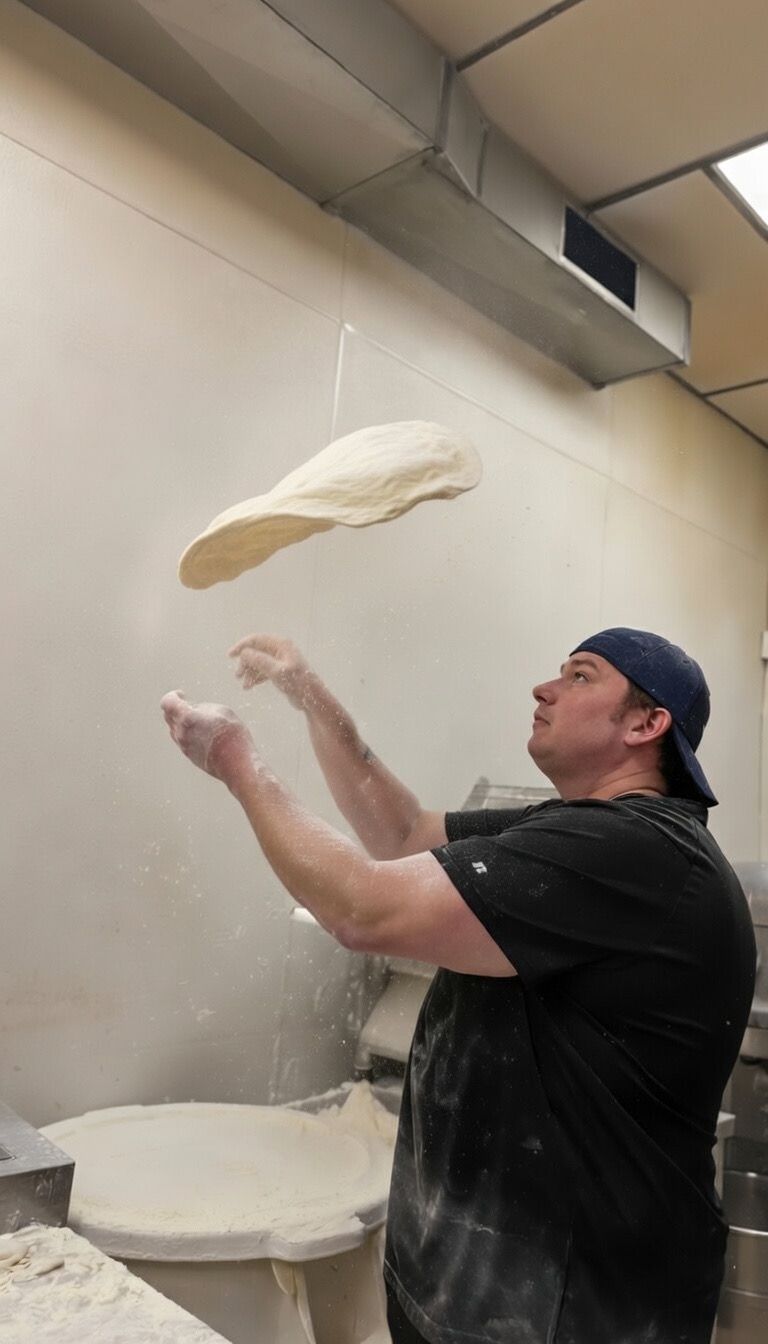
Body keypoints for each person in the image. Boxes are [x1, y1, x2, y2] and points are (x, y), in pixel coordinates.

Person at [161, 626, 756, 1344]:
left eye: (580, 676)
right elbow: (403, 831)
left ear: (645, 723)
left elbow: (361, 908)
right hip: (482, 1289)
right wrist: (310, 696)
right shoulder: (582, 831)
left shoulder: (639, 851)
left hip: (575, 1311)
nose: (545, 688)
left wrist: (238, 762)